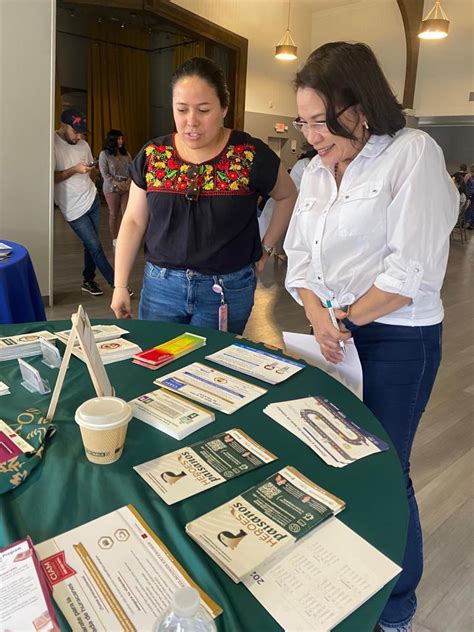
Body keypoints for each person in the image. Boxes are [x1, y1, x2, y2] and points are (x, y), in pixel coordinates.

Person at [284, 42, 458, 632]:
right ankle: (351, 568)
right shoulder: (311, 172)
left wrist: (347, 320)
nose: (311, 135)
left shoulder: (411, 155)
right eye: (303, 122)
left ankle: (398, 600)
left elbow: (411, 272)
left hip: (396, 339)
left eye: (320, 120)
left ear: (359, 106)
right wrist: (316, 316)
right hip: (333, 334)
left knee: (387, 466)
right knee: (333, 456)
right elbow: (298, 258)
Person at [111, 57, 297, 333]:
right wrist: (120, 285)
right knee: (157, 364)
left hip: (228, 289)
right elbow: (134, 222)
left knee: (213, 369)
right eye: (181, 109)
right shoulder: (154, 155)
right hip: (161, 286)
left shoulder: (249, 154)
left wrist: (266, 249)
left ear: (224, 107)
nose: (191, 122)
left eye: (204, 110)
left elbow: (287, 196)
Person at [54, 109, 115, 296]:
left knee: (90, 246)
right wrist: (74, 169)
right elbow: (52, 178)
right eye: (76, 131)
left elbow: (90, 169)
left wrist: (89, 170)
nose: (79, 136)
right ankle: (116, 284)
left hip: (91, 199)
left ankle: (88, 281)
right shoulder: (51, 143)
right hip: (72, 207)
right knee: (95, 246)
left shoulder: (84, 144)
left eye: (82, 132)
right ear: (64, 126)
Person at [98, 130, 132, 247]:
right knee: (113, 214)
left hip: (125, 187)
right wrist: (117, 183)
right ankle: (115, 238)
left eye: (122, 139)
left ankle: (126, 237)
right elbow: (104, 173)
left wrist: (127, 183)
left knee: (126, 213)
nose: (121, 141)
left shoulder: (126, 154)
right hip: (111, 188)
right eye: (118, 139)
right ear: (112, 140)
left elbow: (132, 170)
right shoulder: (104, 154)